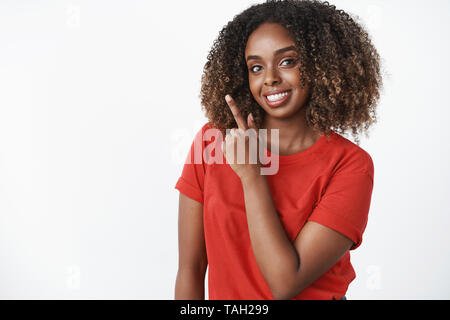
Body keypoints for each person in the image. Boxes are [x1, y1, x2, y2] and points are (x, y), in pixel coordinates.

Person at [174, 0, 382, 300]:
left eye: (287, 61)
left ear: (321, 64)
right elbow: (190, 269)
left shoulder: (350, 165)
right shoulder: (211, 142)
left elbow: (285, 282)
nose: (269, 78)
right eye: (256, 67)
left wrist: (251, 175)